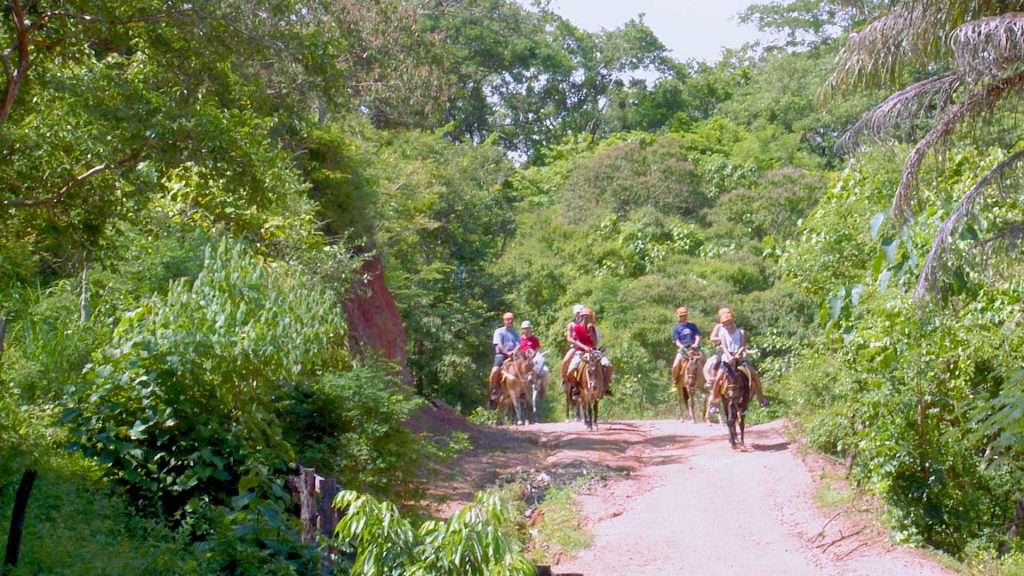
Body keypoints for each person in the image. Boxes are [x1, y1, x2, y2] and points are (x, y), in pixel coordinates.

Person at [708, 307, 767, 408]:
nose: (727, 325)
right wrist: (729, 356)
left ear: (732, 321)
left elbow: (743, 346)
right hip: (727, 357)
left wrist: (738, 355)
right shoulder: (722, 332)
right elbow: (724, 347)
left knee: (755, 375)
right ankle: (714, 400)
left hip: (739, 357)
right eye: (725, 323)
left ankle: (761, 398)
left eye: (729, 322)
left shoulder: (741, 332)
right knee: (718, 378)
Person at [567, 308, 613, 395]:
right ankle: (576, 387)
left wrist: (591, 334)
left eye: (589, 317)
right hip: (580, 351)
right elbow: (576, 341)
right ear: (581, 317)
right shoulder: (577, 328)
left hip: (593, 351)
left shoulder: (592, 328)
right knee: (571, 370)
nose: (586, 319)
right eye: (585, 317)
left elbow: (595, 342)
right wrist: (585, 347)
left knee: (608, 366)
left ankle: (606, 386)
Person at [489, 312, 519, 407]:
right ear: (504, 321)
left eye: (511, 319)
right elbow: (498, 344)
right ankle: (494, 389)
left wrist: (514, 351)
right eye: (507, 319)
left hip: (514, 356)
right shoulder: (499, 331)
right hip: (501, 355)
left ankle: (524, 391)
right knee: (495, 370)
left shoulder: (516, 333)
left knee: (525, 368)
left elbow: (519, 344)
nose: (510, 321)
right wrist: (507, 353)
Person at [670, 306, 702, 374]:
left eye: (684, 315)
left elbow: (697, 336)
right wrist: (681, 346)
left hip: (694, 348)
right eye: (681, 316)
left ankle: (707, 380)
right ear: (678, 316)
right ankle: (675, 381)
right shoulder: (676, 328)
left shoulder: (692, 325)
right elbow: (676, 341)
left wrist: (696, 344)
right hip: (683, 350)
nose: (683, 317)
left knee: (704, 360)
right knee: (675, 365)